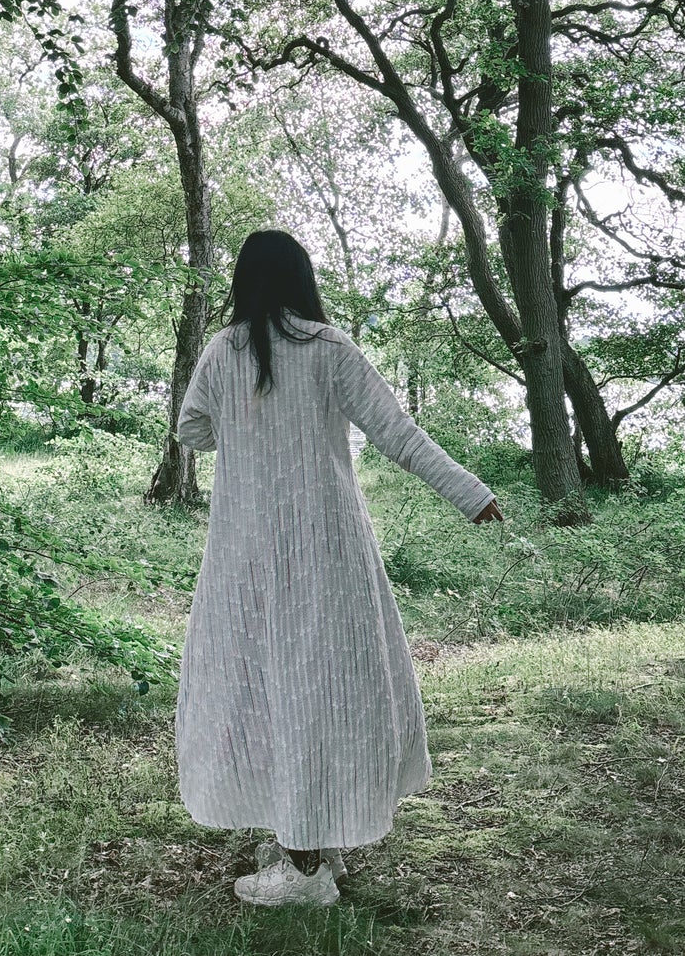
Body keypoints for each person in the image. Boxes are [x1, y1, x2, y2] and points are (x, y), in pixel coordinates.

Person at [174, 228, 504, 909]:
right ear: (301, 279)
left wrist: (243, 428)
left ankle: (302, 862)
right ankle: (305, 839)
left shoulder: (219, 352)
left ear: (242, 281)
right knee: (317, 681)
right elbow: (397, 433)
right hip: (325, 547)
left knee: (260, 679)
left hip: (244, 552)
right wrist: (470, 493)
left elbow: (191, 431)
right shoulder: (327, 349)